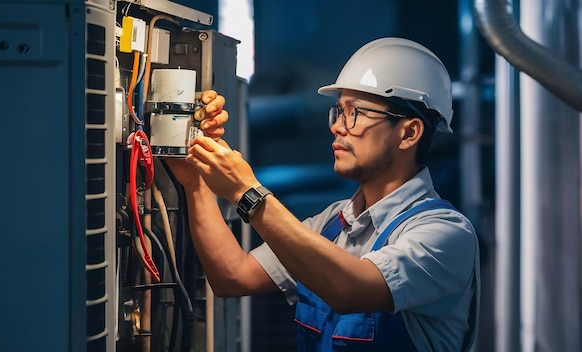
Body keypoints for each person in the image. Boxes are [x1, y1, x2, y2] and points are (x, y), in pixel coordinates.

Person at [167, 37, 480, 352]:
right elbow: (233, 276)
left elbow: (350, 289)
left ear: (409, 133)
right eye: (338, 112)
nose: (338, 127)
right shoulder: (333, 223)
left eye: (355, 113)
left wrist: (247, 192)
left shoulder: (444, 233)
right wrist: (197, 182)